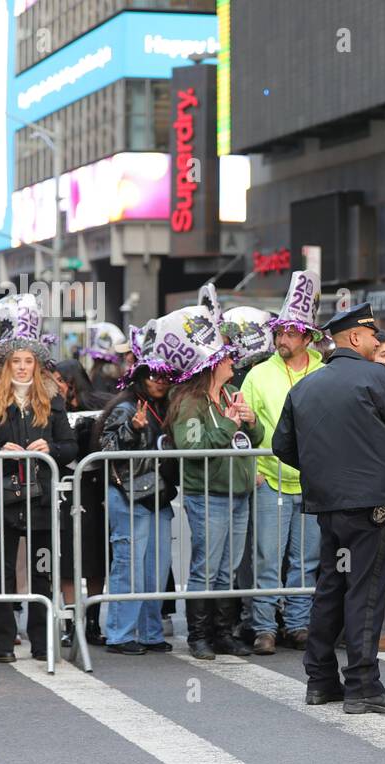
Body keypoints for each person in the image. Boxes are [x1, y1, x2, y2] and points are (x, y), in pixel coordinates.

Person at [273, 302, 385, 714]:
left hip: (330, 506)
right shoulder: (377, 377)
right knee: (366, 590)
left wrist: (326, 469)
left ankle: (321, 679)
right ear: (355, 337)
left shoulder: (305, 385)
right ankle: (362, 684)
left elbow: (282, 446)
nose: (378, 343)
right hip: (372, 504)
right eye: (373, 336)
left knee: (333, 586)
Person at [0, 297, 77, 663]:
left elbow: (71, 447)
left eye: (27, 361)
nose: (21, 367)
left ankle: (41, 643)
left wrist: (49, 447)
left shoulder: (53, 399)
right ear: (6, 364)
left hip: (42, 501)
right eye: (15, 361)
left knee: (42, 575)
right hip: (3, 499)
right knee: (1, 575)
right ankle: (2, 645)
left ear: (37, 365)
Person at [161, 307, 264, 660]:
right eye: (226, 357)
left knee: (228, 568)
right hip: (208, 494)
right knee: (207, 566)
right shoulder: (190, 402)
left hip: (238, 491)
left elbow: (255, 437)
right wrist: (229, 425)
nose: (233, 360)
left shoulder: (232, 390)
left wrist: (250, 422)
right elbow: (192, 448)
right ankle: (199, 635)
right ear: (211, 363)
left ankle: (222, 632)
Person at [239, 278, 325, 654]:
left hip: (314, 481)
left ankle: (298, 623)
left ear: (307, 337)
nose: (282, 339)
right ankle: (264, 627)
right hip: (270, 478)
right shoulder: (258, 374)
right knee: (268, 557)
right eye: (280, 332)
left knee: (306, 558)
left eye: (291, 333)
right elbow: (242, 428)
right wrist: (251, 467)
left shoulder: (326, 372)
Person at [96, 359, 176, 653]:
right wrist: (131, 427)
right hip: (129, 495)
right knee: (129, 568)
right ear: (140, 377)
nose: (159, 381)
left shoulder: (166, 407)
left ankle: (151, 632)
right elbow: (104, 449)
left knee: (155, 570)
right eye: (153, 375)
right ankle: (120, 634)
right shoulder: (126, 407)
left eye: (166, 376)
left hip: (158, 497)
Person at [52, 359, 112, 648]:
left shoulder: (98, 403)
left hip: (93, 488)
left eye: (61, 380)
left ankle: (92, 621)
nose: (57, 385)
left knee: (94, 558)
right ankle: (70, 622)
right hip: (62, 488)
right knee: (66, 559)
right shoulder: (51, 407)